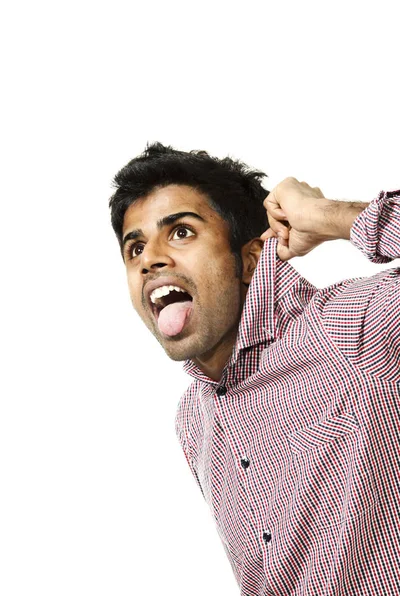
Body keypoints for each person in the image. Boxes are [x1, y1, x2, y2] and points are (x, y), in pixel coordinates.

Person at [109, 142, 399, 595]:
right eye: (136, 247)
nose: (149, 260)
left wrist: (329, 215)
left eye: (181, 232)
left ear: (248, 259)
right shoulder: (193, 419)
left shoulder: (351, 325)